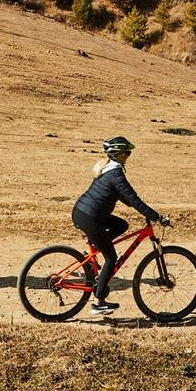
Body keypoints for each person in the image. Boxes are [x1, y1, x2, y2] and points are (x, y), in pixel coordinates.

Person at [71, 135, 166, 316]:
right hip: (90, 217)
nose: (129, 155)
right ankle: (98, 302)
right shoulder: (115, 174)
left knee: (121, 225)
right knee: (111, 258)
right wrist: (156, 216)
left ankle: (92, 253)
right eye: (127, 153)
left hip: (84, 213)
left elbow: (126, 198)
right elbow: (133, 199)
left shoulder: (107, 169)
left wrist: (144, 211)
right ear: (119, 154)